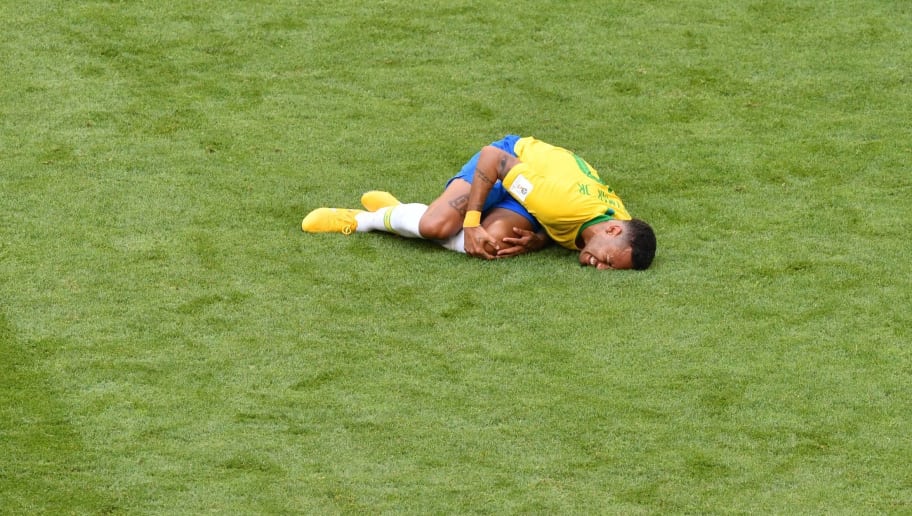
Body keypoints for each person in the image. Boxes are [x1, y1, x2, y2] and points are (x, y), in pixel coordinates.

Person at [302, 135, 657, 270]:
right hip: (506, 160)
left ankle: (403, 213)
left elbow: (566, 224)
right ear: (613, 231)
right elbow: (492, 159)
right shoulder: (560, 204)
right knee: (437, 227)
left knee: (494, 246)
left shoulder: (619, 220)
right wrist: (471, 224)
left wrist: (541, 239)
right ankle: (366, 219)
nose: (600, 267)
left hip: (533, 193)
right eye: (608, 260)